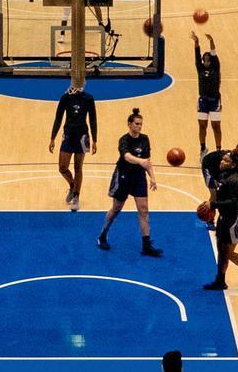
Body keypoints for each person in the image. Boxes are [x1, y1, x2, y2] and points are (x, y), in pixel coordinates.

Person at [95, 109, 162, 256]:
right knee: (116, 209)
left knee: (143, 210)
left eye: (141, 124)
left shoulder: (145, 139)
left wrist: (152, 177)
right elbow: (127, 157)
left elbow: (147, 161)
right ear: (129, 124)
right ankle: (102, 235)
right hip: (123, 177)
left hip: (139, 177)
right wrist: (141, 162)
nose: (139, 126)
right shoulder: (124, 140)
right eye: (137, 124)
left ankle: (146, 245)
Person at [200, 142, 238, 292]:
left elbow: (232, 203)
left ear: (232, 165)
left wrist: (213, 205)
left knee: (228, 253)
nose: (222, 162)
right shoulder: (224, 174)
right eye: (222, 159)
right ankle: (220, 281)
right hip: (225, 217)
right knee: (221, 249)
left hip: (235, 218)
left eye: (226, 161)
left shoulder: (234, 181)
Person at [51, 81, 98, 210]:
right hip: (68, 135)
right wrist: (53, 137)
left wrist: (95, 140)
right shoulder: (65, 97)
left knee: (78, 167)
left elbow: (93, 120)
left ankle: (77, 196)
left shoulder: (88, 98)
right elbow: (58, 118)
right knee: (62, 167)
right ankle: (72, 185)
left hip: (82, 136)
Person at [192, 32, 224, 155]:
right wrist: (196, 43)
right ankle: (202, 148)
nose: (206, 61)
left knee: (216, 127)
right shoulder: (200, 68)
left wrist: (211, 40)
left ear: (211, 61)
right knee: (202, 126)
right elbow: (196, 55)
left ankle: (218, 151)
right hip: (203, 100)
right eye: (204, 60)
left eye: (208, 60)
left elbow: (214, 53)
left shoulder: (215, 67)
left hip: (215, 100)